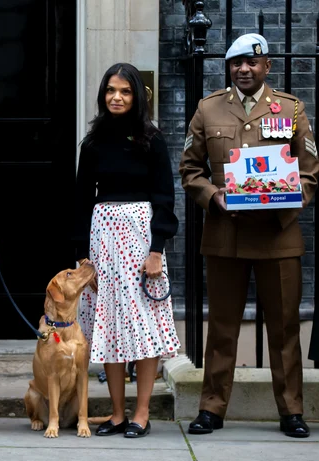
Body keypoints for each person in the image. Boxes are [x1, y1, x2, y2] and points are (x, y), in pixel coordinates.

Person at [179, 33, 318, 438]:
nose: (244, 69)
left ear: (266, 66)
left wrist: (286, 203)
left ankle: (291, 410)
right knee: (221, 326)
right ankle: (212, 409)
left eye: (252, 63)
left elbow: (309, 170)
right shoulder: (208, 109)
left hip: (278, 235)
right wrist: (212, 197)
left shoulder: (290, 109)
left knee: (284, 326)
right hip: (226, 234)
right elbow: (190, 170)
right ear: (229, 67)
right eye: (237, 62)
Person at [74, 62, 180, 439]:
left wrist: (156, 250)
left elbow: (165, 196)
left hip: (141, 238)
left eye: (125, 91)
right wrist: (82, 255)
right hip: (102, 239)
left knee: (144, 326)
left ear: (136, 96)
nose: (116, 97)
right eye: (110, 91)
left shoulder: (152, 138)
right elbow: (82, 199)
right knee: (109, 325)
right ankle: (117, 413)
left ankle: (142, 411)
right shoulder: (93, 142)